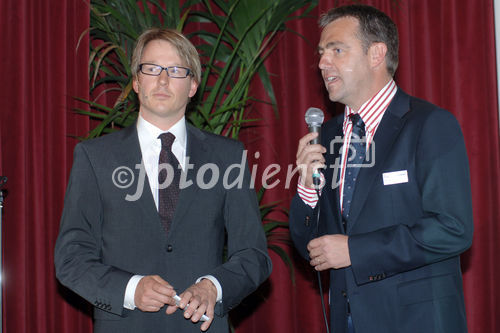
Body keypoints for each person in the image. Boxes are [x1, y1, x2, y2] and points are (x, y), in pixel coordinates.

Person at [54, 28, 272, 333]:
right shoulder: (94, 157)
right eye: (152, 68)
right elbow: (71, 258)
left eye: (176, 70)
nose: (163, 79)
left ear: (193, 85)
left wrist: (213, 287)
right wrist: (130, 289)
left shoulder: (227, 156)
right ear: (135, 81)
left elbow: (254, 255)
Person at [289, 5, 473, 333]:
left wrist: (355, 250)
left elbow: (452, 228)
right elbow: (312, 249)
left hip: (417, 323)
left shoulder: (429, 124)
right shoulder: (326, 136)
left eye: (337, 50)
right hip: (347, 321)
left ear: (376, 54)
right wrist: (306, 187)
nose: (322, 63)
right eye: (320, 53)